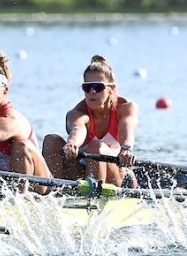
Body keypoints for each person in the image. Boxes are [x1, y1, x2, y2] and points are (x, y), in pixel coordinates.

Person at [42, 55, 139, 186]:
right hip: (81, 170)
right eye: (87, 87)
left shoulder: (125, 107)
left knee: (96, 147)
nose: (92, 92)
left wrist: (126, 149)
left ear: (112, 89)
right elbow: (78, 129)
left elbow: (126, 128)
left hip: (117, 174)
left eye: (98, 87)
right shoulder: (77, 113)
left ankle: (93, 199)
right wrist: (72, 143)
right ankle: (57, 192)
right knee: (51, 140)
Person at [0, 50, 52, 194]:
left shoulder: (12, 118)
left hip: (37, 184)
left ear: (5, 90)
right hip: (2, 179)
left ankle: (21, 199)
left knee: (22, 146)